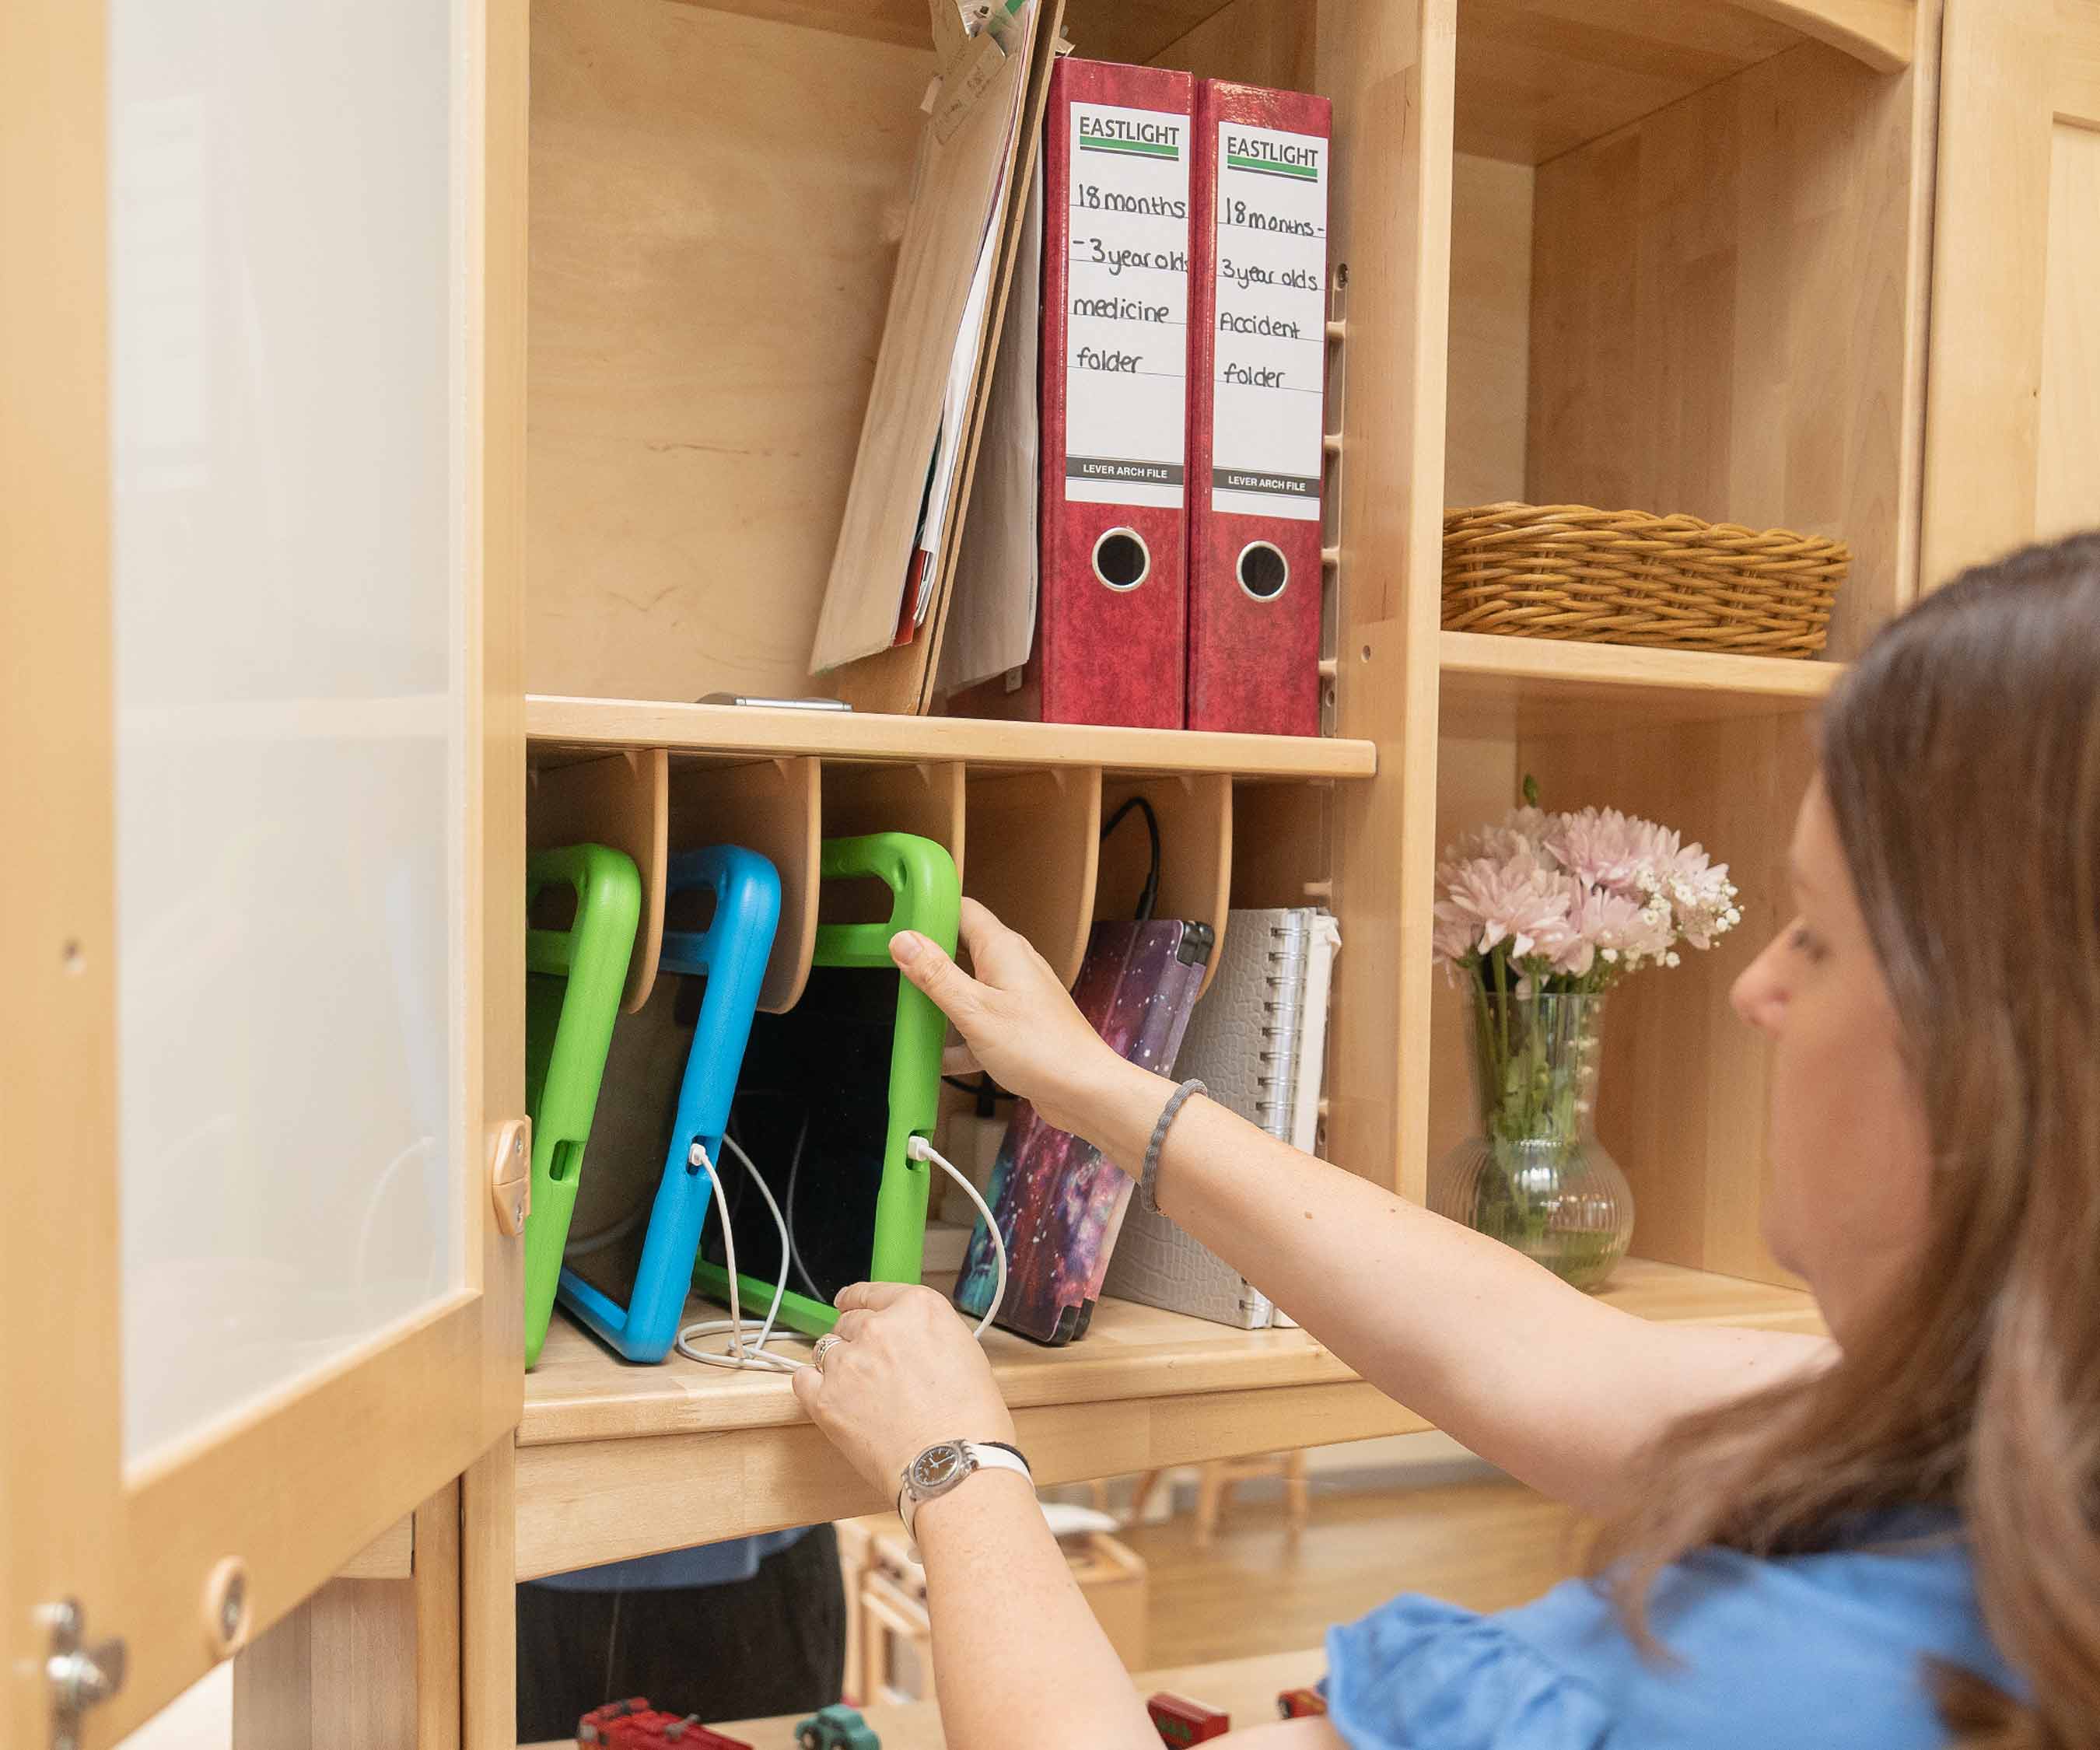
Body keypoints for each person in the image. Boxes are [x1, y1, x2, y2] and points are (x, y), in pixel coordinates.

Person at [787, 531, 2100, 1748]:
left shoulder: (1713, 1692)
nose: (1758, 989)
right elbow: (1563, 1360)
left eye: (1814, 930)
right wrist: (1106, 1088)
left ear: (1997, 1047)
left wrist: (954, 1462)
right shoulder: (2015, 1456)